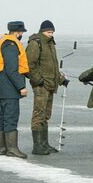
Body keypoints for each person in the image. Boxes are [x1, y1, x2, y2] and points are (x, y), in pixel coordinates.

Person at [25, 20, 69, 155]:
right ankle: (37, 146)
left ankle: (45, 144)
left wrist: (61, 79)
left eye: (52, 32)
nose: (51, 34)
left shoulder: (50, 44)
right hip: (41, 86)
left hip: (50, 85)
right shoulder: (35, 43)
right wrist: (39, 81)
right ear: (42, 31)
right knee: (39, 114)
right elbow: (29, 64)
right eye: (49, 32)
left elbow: (53, 66)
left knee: (46, 115)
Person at [0, 21, 29, 158]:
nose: (22, 35)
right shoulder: (11, 45)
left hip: (2, 87)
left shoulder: (3, 41)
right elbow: (12, 69)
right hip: (10, 88)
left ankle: (3, 148)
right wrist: (21, 86)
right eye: (22, 33)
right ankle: (12, 149)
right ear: (18, 32)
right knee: (11, 116)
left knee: (3, 116)